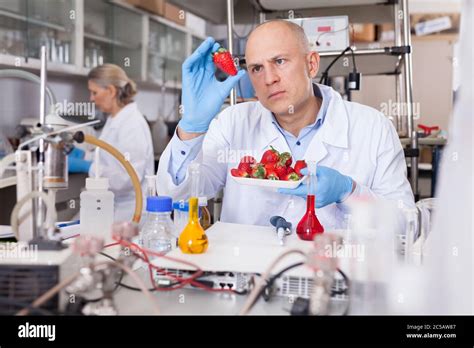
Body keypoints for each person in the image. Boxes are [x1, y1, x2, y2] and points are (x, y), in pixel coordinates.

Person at [156, 20, 415, 229]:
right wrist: (191, 127)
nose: (269, 78)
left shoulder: (373, 128)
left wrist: (349, 193)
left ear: (311, 64)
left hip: (333, 277)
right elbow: (177, 196)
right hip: (246, 277)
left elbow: (406, 224)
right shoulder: (232, 122)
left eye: (279, 61)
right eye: (257, 68)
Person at [68, 64, 154, 222]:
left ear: (112, 91)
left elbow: (126, 178)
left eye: (95, 92)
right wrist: (85, 156)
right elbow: (110, 156)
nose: (91, 98)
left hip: (129, 212)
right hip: (112, 207)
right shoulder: (115, 118)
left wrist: (86, 166)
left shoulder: (132, 124)